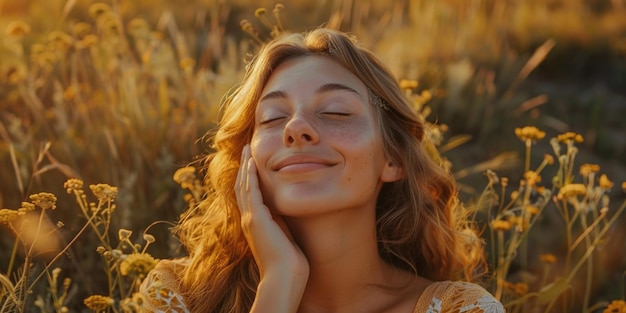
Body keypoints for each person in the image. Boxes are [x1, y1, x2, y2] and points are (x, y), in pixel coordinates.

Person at [140, 27, 505, 313]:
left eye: (336, 112)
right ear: (246, 159)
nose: (295, 128)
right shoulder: (178, 297)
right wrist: (280, 282)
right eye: (272, 117)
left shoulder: (461, 309)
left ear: (393, 158)